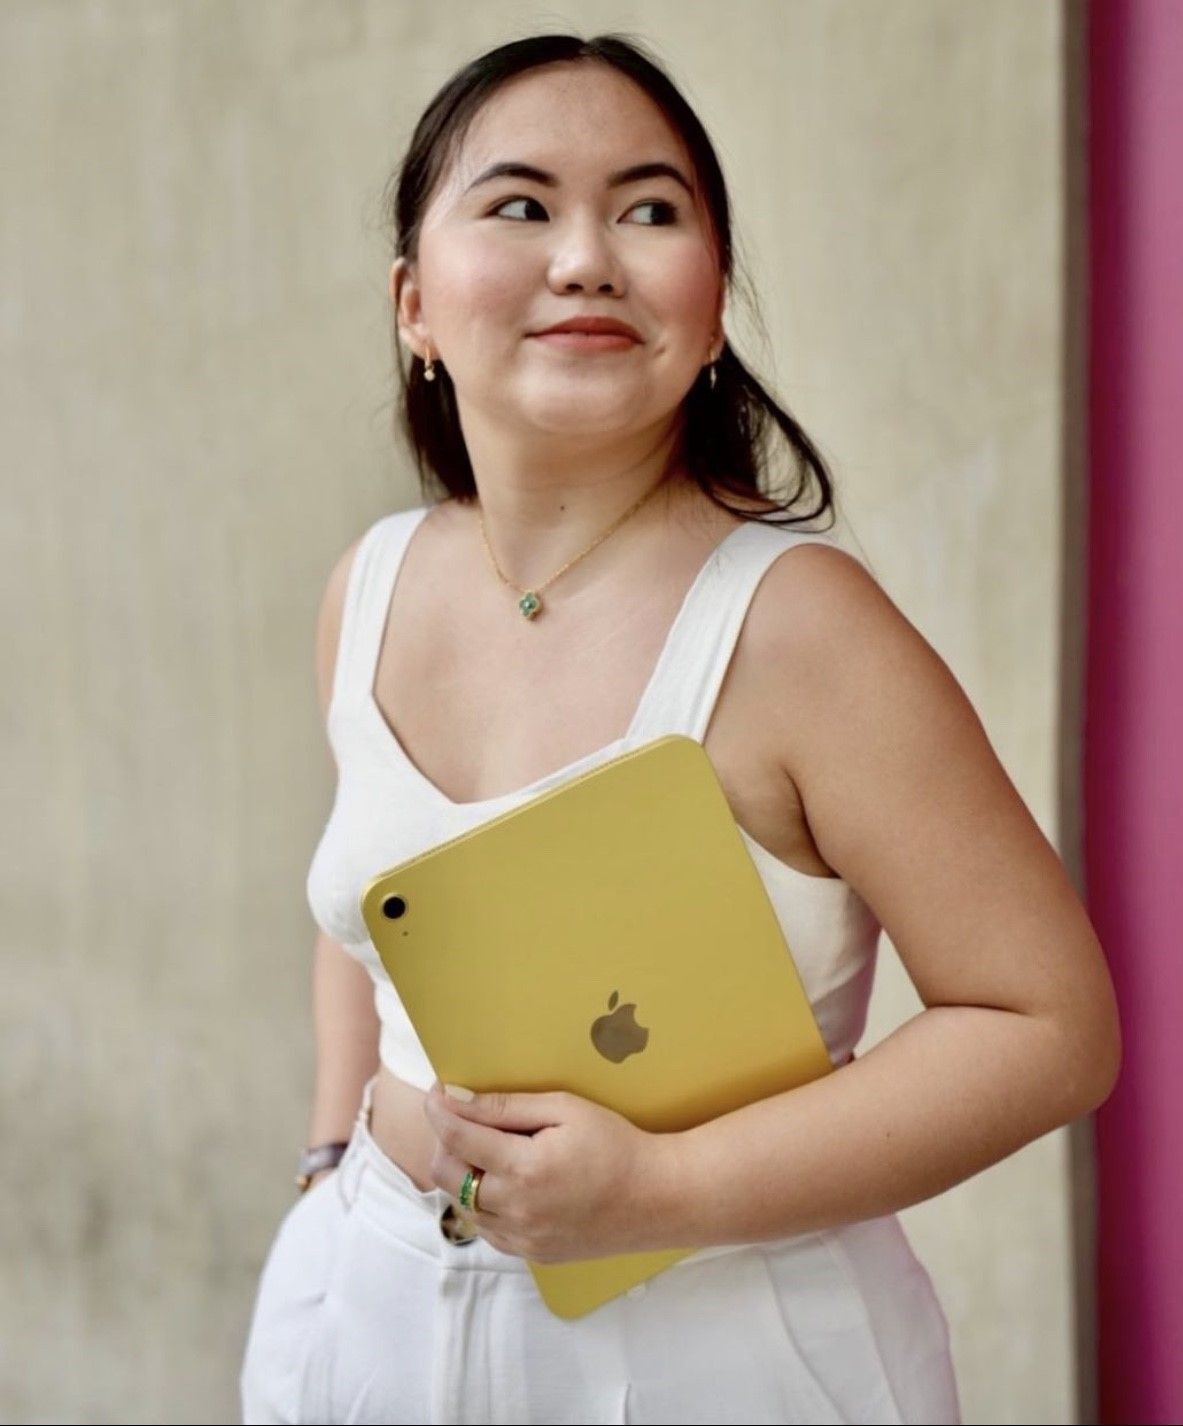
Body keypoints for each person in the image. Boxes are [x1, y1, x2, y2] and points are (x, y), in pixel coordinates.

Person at [239, 31, 1121, 1426]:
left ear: (711, 314)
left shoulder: (801, 627)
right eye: (520, 204)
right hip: (372, 1314)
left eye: (649, 210)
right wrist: (328, 1164)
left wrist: (660, 1190)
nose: (586, 257)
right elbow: (369, 915)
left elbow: (1048, 1026)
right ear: (414, 304)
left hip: (724, 1348)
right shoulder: (373, 584)